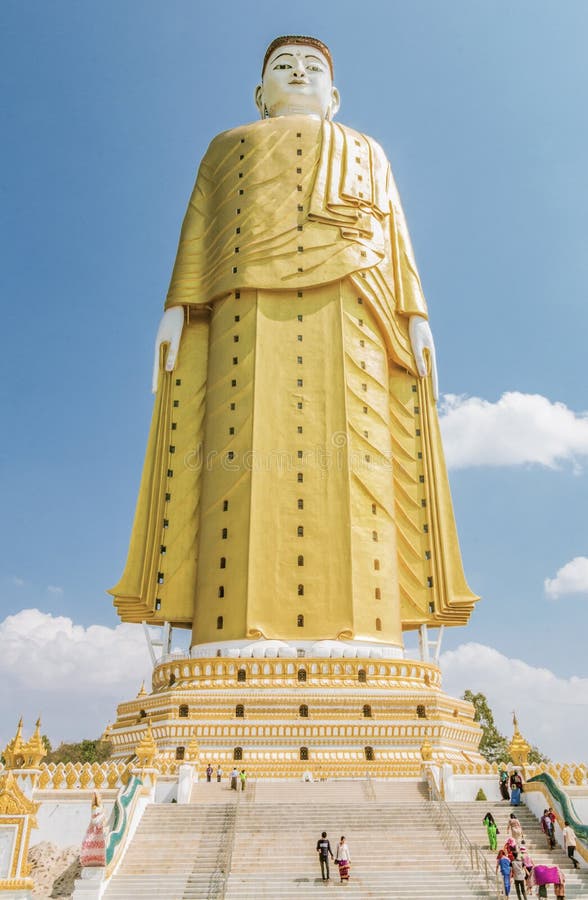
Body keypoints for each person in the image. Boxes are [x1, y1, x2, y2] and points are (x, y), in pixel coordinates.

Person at [110, 34, 478, 654]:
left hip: (354, 304)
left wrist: (417, 314)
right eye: (284, 66)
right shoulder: (228, 147)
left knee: (362, 457)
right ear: (260, 94)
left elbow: (396, 232)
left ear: (334, 96)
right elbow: (200, 224)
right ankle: (224, 637)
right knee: (236, 458)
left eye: (313, 68)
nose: (299, 72)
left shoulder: (366, 149)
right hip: (242, 305)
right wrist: (176, 306)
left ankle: (370, 638)